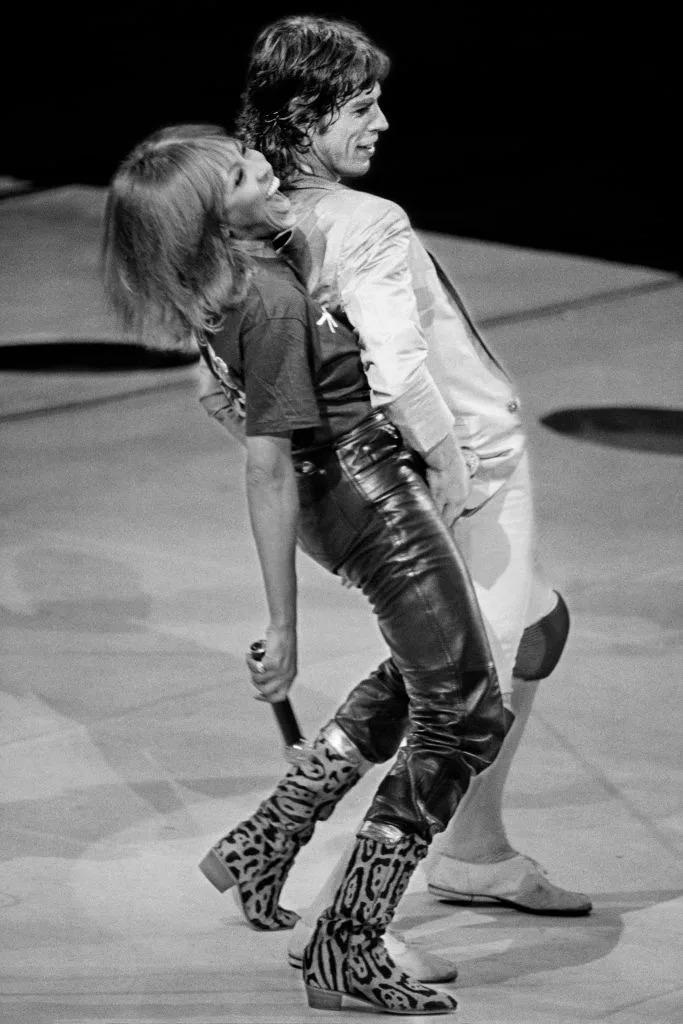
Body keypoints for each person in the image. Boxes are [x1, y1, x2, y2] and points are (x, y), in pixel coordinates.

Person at [198, 13, 591, 975]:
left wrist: (310, 450)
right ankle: (351, 919)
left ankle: (453, 847)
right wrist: (448, 476)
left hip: (364, 478)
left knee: (536, 628)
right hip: (463, 465)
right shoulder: (366, 223)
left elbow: (214, 388)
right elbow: (400, 371)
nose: (382, 124)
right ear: (302, 117)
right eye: (362, 107)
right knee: (460, 700)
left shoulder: (241, 224)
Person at [102, 123, 511, 1015]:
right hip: (368, 496)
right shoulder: (272, 299)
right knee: (465, 710)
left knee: (425, 674)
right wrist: (282, 625)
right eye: (249, 172)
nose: (270, 171)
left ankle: (266, 841)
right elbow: (266, 464)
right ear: (216, 219)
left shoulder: (226, 282)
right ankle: (347, 942)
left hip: (343, 495)